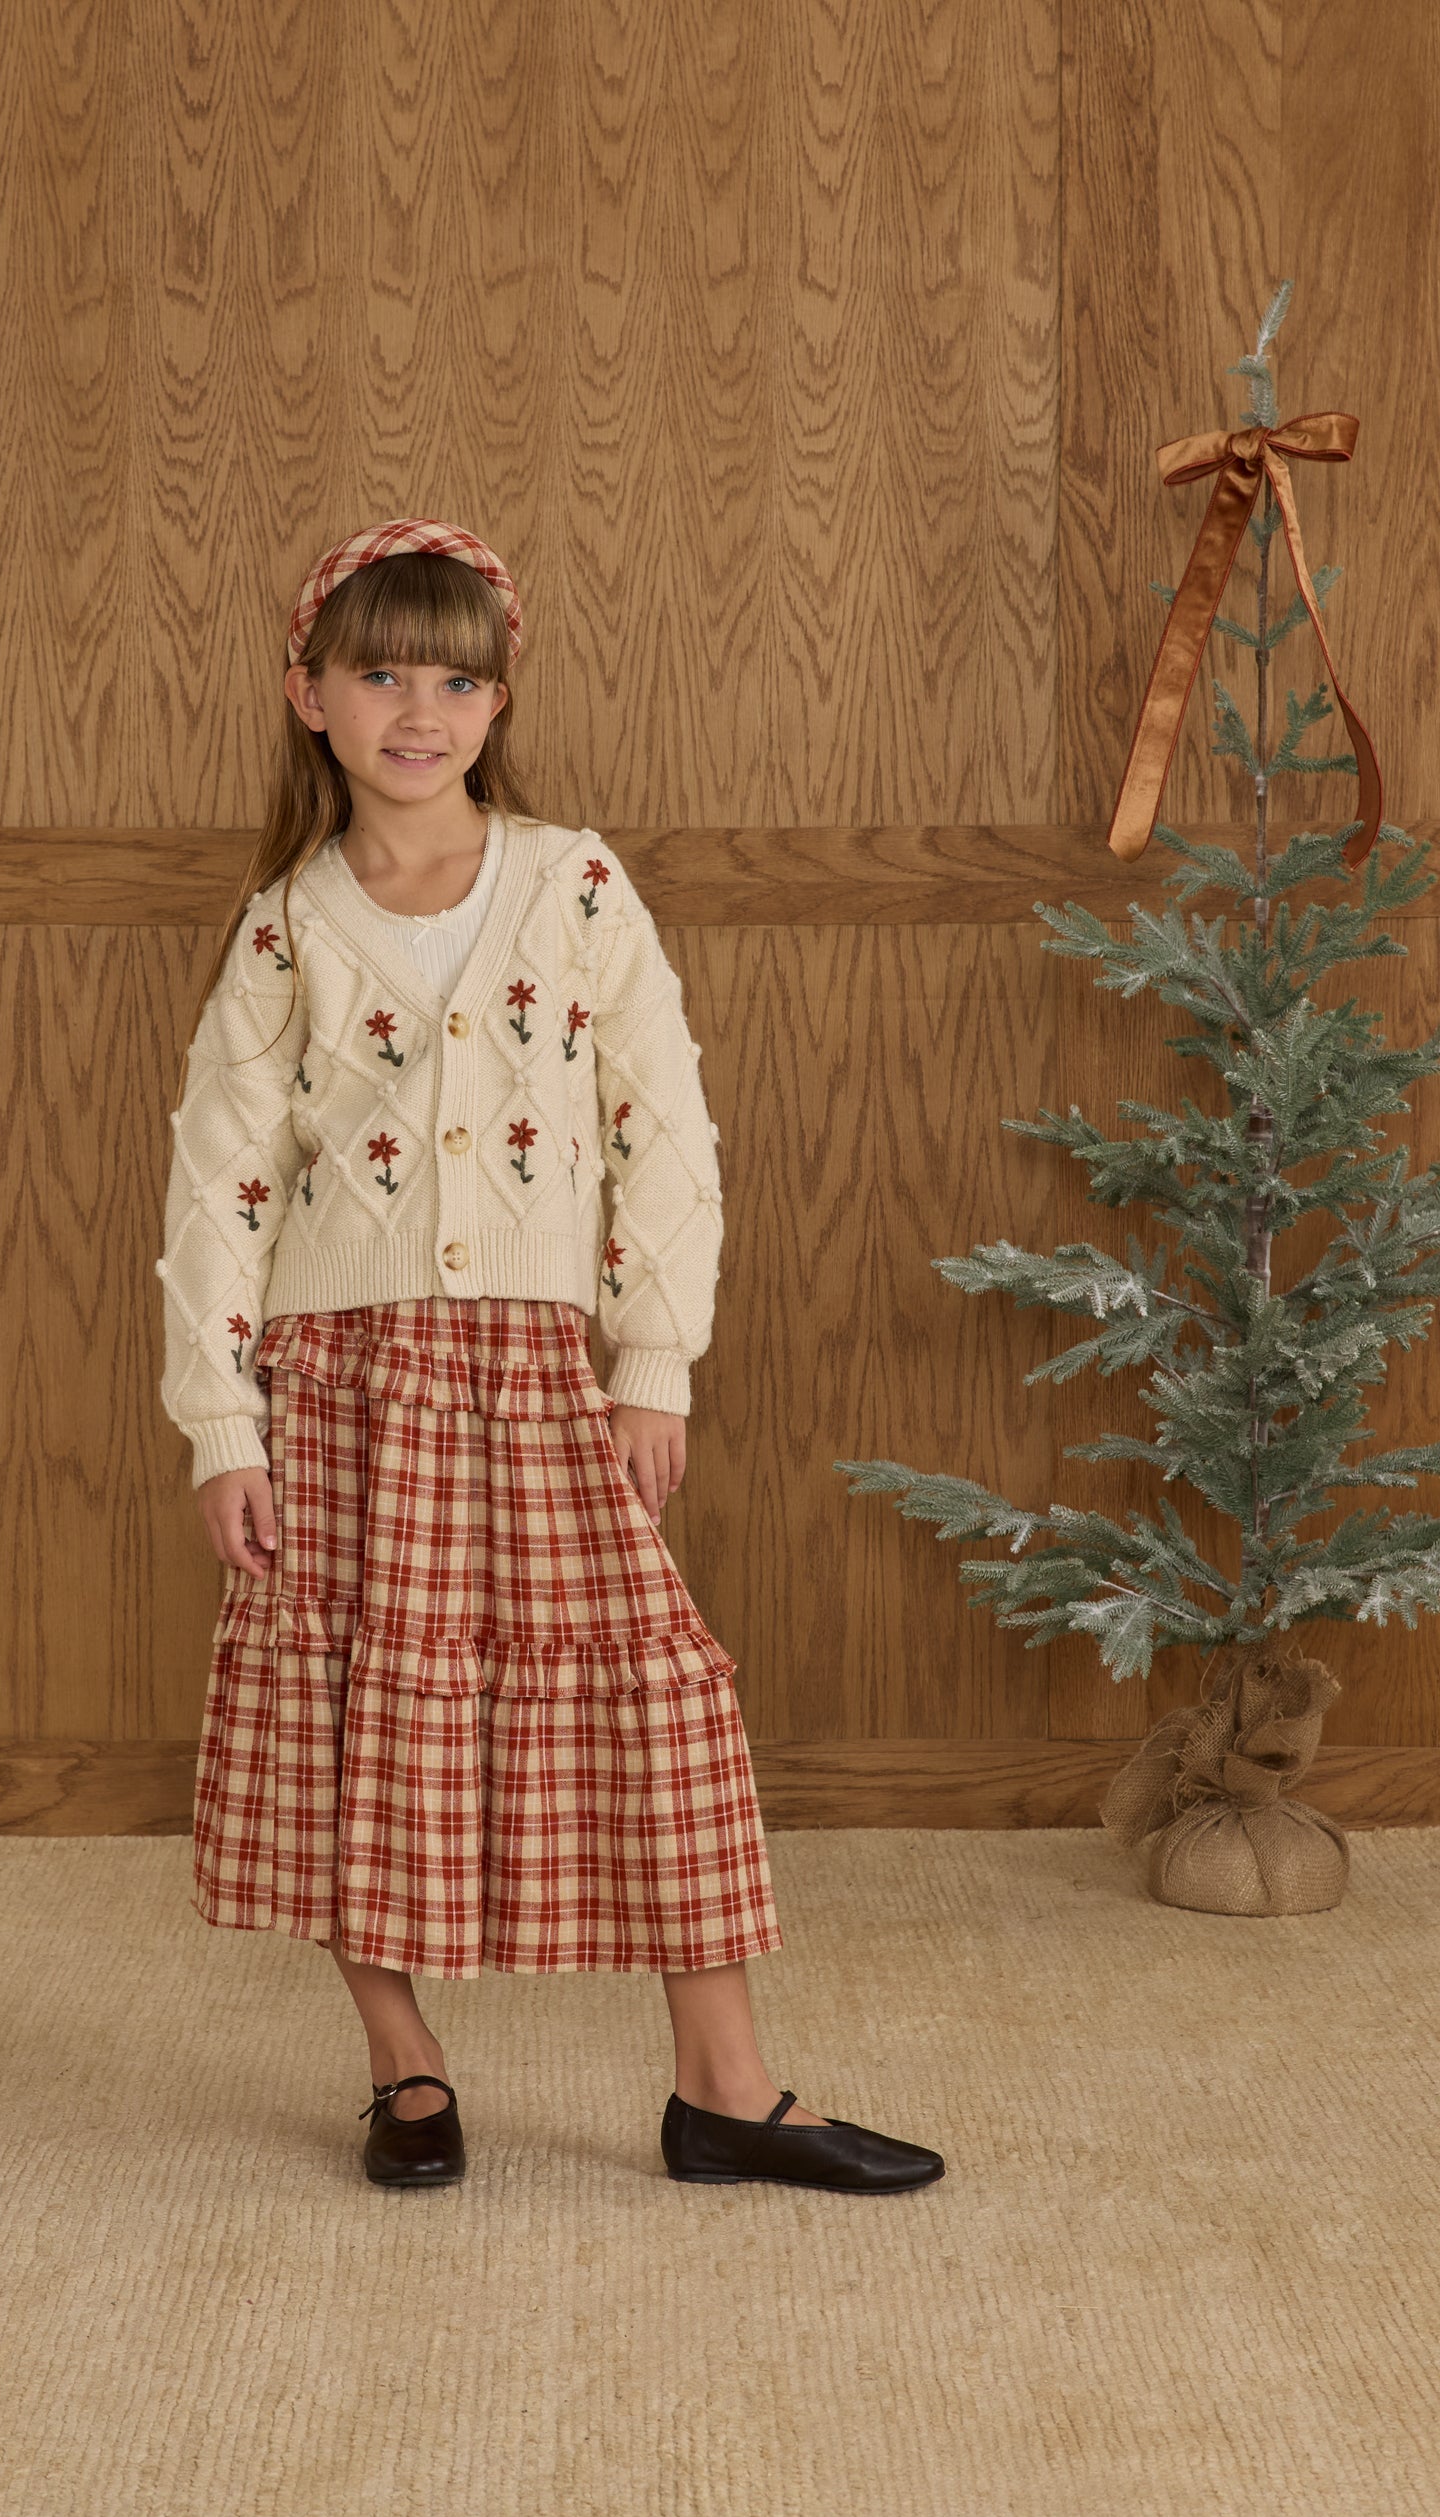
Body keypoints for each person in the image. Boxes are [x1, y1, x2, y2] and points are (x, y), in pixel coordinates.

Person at [156, 518, 942, 2199]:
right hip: (341, 1376)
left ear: (500, 699)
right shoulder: (287, 926)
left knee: (647, 1699)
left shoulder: (572, 881)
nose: (417, 711)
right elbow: (219, 1180)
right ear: (310, 696)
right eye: (380, 674)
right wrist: (223, 1422)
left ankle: (725, 2084)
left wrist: (653, 1358)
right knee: (349, 1712)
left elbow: (665, 1127)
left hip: (532, 1368)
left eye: (454, 677)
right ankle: (404, 2063)